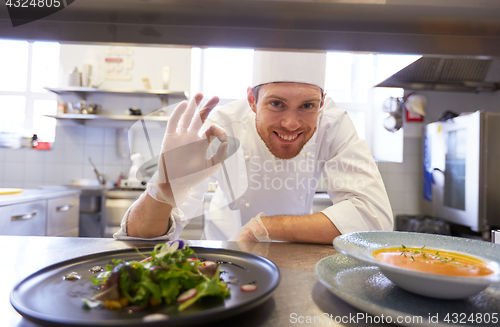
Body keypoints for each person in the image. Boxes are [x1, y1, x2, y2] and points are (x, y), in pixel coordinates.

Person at [114, 50, 393, 244]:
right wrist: (162, 188)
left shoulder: (333, 123)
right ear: (251, 100)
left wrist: (262, 228)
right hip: (225, 253)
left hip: (293, 253)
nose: (291, 123)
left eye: (307, 106)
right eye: (276, 103)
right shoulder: (221, 127)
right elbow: (141, 237)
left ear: (321, 102)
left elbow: (375, 218)